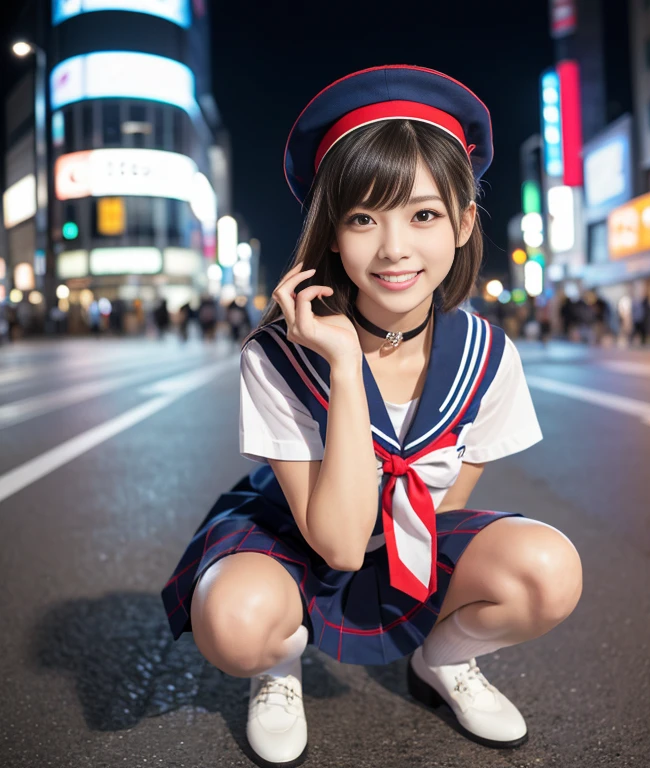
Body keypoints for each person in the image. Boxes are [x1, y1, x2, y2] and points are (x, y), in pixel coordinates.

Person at [161, 65, 583, 767]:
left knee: (548, 568)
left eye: (423, 215)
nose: (393, 249)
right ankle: (278, 667)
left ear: (464, 220)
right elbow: (336, 545)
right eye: (363, 217)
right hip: (300, 536)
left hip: (403, 542)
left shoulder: (487, 355)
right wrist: (345, 369)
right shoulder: (277, 355)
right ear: (331, 234)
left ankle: (443, 662)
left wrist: (424, 606)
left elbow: (439, 515)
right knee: (233, 621)